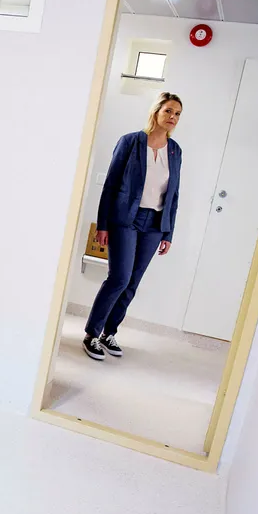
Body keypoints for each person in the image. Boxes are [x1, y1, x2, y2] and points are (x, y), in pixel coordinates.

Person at [83, 92, 183, 361]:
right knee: (119, 278)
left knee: (132, 283)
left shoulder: (175, 151)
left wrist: (168, 232)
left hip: (155, 224)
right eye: (168, 111)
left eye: (177, 114)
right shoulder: (130, 142)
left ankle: (109, 333)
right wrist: (103, 224)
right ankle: (92, 334)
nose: (173, 117)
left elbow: (173, 195)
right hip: (125, 219)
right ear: (156, 111)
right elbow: (111, 185)